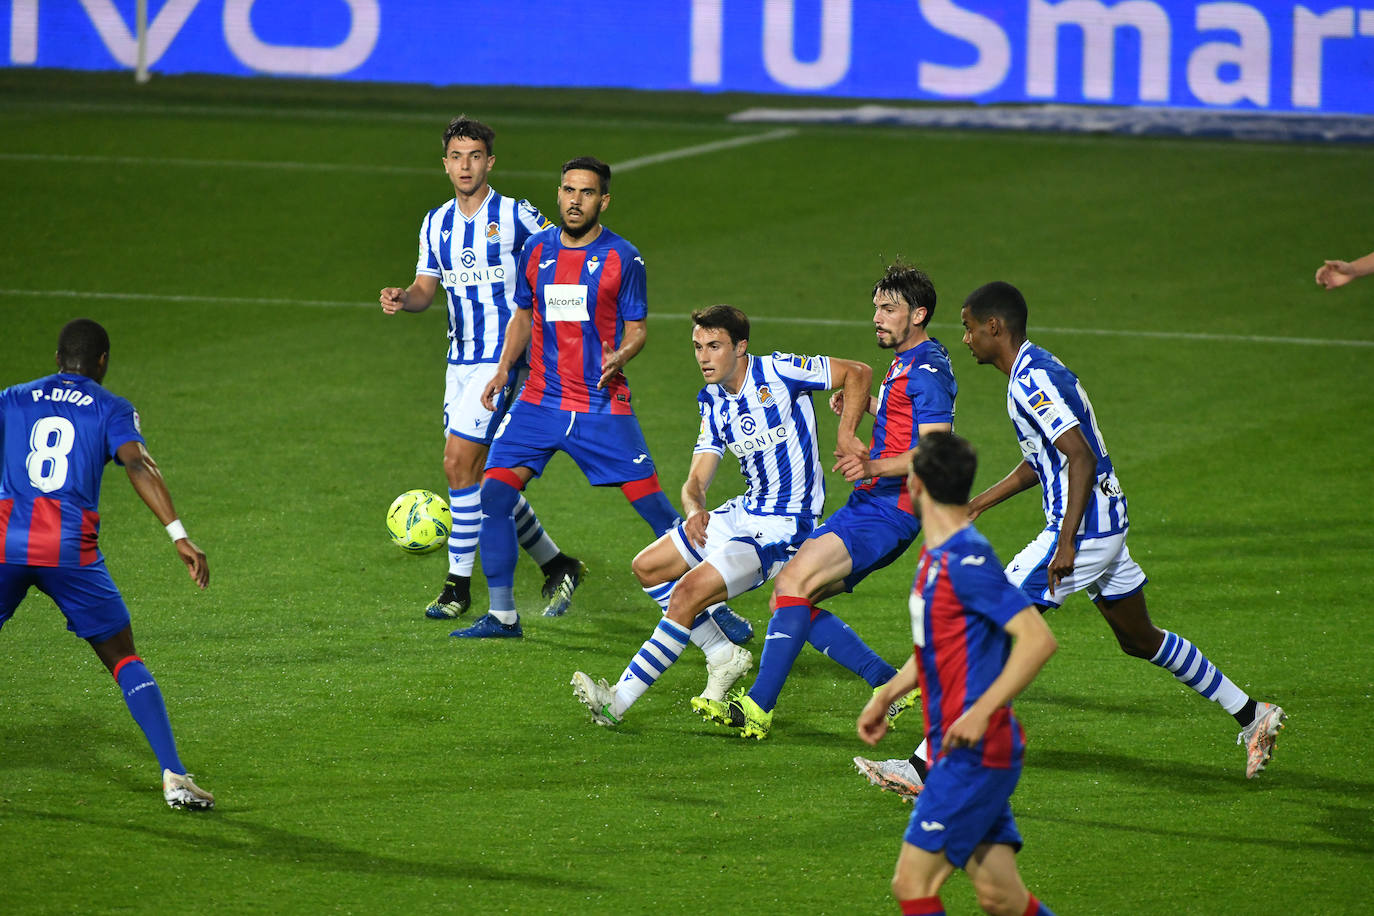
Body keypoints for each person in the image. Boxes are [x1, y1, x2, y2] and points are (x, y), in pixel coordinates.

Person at [958, 281, 1285, 778]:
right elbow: (1043, 460)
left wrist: (1065, 543)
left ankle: (924, 767)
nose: (966, 339)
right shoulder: (1037, 368)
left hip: (1085, 528)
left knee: (990, 619)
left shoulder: (1030, 381)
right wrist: (981, 502)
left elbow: (1080, 457)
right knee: (1138, 638)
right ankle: (1253, 714)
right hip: (1106, 520)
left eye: (969, 327)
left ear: (994, 327)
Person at [455, 157, 750, 642]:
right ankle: (503, 616)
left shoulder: (623, 258)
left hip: (600, 407)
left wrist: (623, 355)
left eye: (586, 193)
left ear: (603, 201)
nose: (575, 200)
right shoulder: (535, 250)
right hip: (539, 402)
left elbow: (637, 330)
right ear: (559, 193)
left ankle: (714, 607)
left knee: (657, 511)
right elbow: (523, 316)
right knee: (495, 496)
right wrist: (505, 368)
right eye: (569, 190)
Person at [570, 304, 873, 725]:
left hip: (785, 527)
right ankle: (722, 653)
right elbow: (696, 480)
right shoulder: (713, 402)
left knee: (687, 594)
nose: (704, 357)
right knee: (649, 568)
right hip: (745, 512)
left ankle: (616, 701)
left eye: (714, 346)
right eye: (698, 347)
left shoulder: (781, 371)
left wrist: (846, 433)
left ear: (741, 347)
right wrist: (694, 509)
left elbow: (857, 371)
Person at [697, 261, 956, 739]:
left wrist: (874, 465)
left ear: (918, 314)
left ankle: (757, 707)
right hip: (875, 505)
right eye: (876, 306)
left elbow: (937, 451)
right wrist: (873, 410)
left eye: (889, 308)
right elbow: (905, 428)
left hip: (888, 508)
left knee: (792, 581)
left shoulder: (927, 371)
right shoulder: (909, 362)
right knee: (792, 596)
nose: (877, 317)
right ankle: (890, 684)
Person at [0, 319, 214, 810]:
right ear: (102, 362)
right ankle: (174, 777)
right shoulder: (111, 407)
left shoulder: (12, 397)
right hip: (69, 550)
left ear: (57, 358)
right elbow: (138, 464)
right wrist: (178, 535)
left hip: (4, 542)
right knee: (123, 657)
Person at [380, 116, 584, 622]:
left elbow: (563, 254)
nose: (465, 165)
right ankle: (558, 563)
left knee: (457, 465)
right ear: (445, 163)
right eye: (457, 156)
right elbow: (427, 288)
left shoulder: (516, 215)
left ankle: (457, 586)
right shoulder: (435, 222)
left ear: (489, 162)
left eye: (475, 156)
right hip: (459, 362)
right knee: (486, 479)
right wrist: (404, 298)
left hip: (507, 360)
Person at [859, 432, 1058, 916]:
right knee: (1002, 898)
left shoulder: (966, 560)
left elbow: (1037, 640)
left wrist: (978, 713)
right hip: (965, 746)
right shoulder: (937, 555)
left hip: (973, 750)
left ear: (916, 486)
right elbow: (935, 647)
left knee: (912, 885)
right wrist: (886, 694)